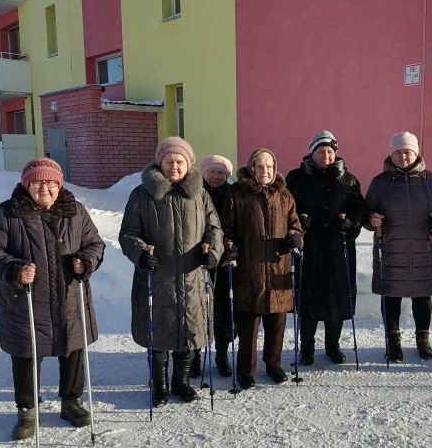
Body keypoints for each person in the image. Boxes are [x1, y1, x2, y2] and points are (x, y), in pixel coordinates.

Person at [0, 157, 105, 440]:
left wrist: (86, 260)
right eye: (36, 183)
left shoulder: (76, 211)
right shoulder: (6, 213)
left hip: (70, 296)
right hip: (25, 301)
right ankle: (28, 410)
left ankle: (71, 402)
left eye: (50, 183)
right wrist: (14, 269)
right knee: (27, 353)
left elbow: (94, 244)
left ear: (59, 185)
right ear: (26, 186)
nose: (44, 188)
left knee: (73, 349)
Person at [119, 137, 223, 407]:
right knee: (158, 334)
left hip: (191, 277)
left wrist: (212, 252)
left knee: (189, 332)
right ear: (160, 163)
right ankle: (161, 386)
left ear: (188, 164)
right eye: (169, 161)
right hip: (156, 277)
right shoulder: (142, 194)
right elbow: (128, 233)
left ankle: (182, 383)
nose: (174, 166)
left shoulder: (200, 194)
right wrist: (141, 253)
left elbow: (214, 228)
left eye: (179, 161)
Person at [219, 148, 304, 389]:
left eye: (269, 166)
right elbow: (226, 227)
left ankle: (273, 364)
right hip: (249, 269)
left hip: (278, 268)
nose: (264, 170)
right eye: (260, 166)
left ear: (274, 168)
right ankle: (246, 370)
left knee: (276, 324)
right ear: (251, 168)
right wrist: (229, 246)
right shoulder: (237, 193)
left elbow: (295, 224)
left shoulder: (284, 194)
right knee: (248, 325)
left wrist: (297, 237)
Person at [364, 131, 432, 362]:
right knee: (391, 295)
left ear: (416, 153)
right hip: (391, 249)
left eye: (408, 152)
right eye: (398, 152)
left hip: (424, 248)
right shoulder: (380, 182)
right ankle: (393, 341)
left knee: (422, 295)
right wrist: (371, 220)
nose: (403, 156)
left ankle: (422, 339)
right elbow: (365, 211)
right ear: (391, 154)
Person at [285, 130, 365, 365]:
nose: (326, 156)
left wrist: (350, 223)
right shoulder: (296, 178)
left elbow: (359, 208)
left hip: (338, 248)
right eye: (321, 151)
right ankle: (306, 348)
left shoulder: (348, 179)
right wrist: (298, 221)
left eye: (330, 151)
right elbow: (286, 207)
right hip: (309, 247)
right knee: (308, 298)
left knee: (336, 298)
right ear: (312, 153)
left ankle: (332, 345)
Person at [195, 154, 235, 378]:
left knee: (223, 310)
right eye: (212, 171)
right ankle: (194, 355)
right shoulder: (194, 193)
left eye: (221, 172)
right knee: (197, 308)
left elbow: (237, 225)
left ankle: (222, 354)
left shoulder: (233, 194)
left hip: (225, 260)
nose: (216, 176)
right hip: (197, 258)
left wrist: (232, 246)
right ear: (204, 173)